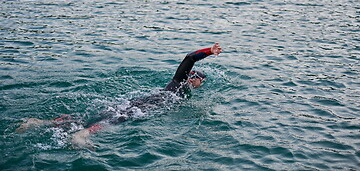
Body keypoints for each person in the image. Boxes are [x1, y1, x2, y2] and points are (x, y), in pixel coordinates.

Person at [16, 43, 222, 148]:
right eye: (201, 81)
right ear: (193, 78)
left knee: (98, 115)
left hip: (139, 100)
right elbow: (189, 58)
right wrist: (209, 51)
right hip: (149, 106)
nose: (201, 84)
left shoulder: (179, 87)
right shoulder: (179, 82)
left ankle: (41, 122)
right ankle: (82, 136)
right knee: (115, 120)